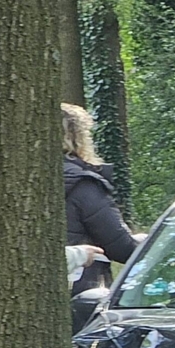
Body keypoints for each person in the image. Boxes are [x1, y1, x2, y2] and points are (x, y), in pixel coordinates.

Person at [62, 103, 143, 296]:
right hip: (81, 292)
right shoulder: (83, 183)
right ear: (77, 137)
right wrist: (150, 245)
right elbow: (121, 247)